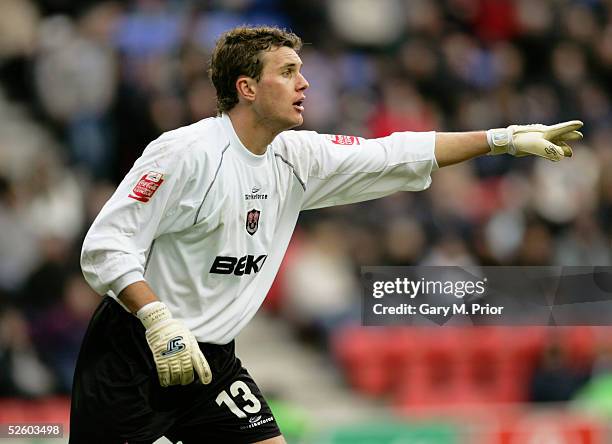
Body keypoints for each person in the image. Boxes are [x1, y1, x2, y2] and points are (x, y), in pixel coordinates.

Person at [70, 25, 583, 443]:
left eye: (302, 71)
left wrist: (502, 139)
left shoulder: (298, 155)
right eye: (288, 72)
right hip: (133, 352)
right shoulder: (184, 153)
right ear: (247, 88)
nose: (304, 83)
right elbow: (106, 246)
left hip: (213, 357)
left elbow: (393, 152)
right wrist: (158, 319)